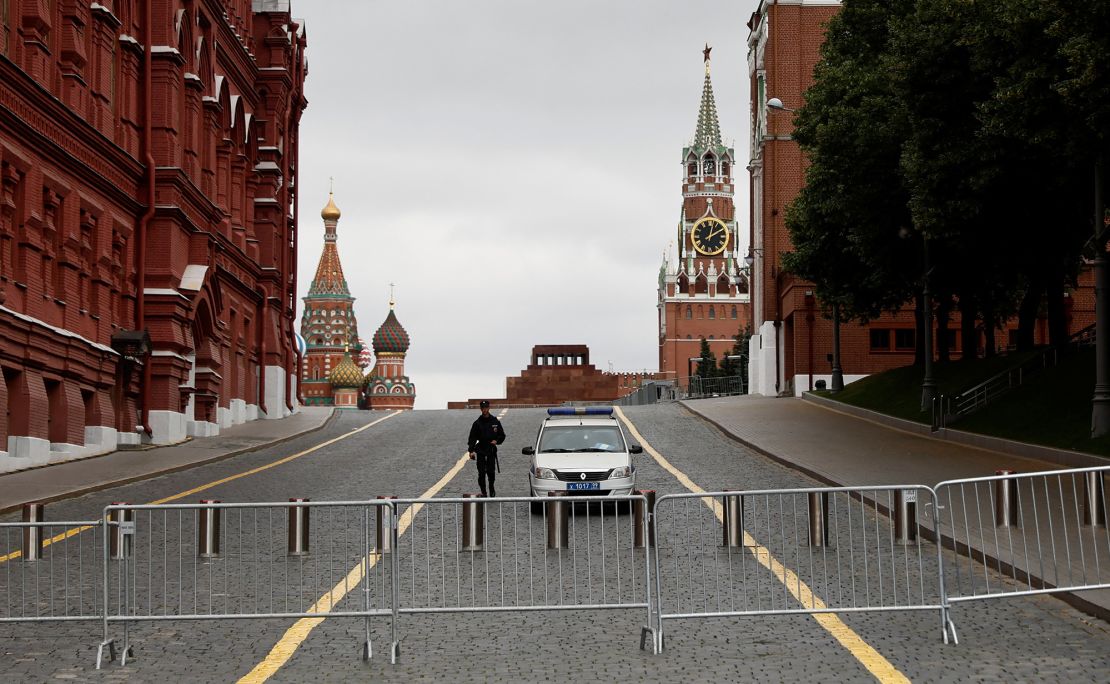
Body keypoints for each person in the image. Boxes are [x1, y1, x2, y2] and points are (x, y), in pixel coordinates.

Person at [467, 400, 506, 497]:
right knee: (481, 473)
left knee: (491, 472)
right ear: (481, 409)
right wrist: (471, 451)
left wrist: (496, 441)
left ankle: (491, 487)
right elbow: (472, 438)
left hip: (491, 450)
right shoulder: (477, 423)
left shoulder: (495, 421)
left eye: (486, 408)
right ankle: (484, 491)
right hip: (480, 449)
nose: (484, 410)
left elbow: (502, 435)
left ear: (489, 408)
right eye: (483, 408)